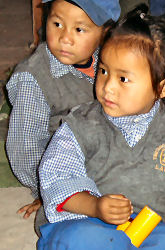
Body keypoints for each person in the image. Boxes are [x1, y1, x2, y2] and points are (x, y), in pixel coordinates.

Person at [37, 9, 165, 249]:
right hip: (86, 221)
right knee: (82, 240)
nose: (108, 87)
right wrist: (95, 206)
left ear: (163, 87)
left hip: (147, 228)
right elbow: (56, 179)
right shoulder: (81, 124)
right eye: (103, 71)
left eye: (123, 79)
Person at [6, 0, 120, 230]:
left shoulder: (109, 58)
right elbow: (24, 146)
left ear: (104, 32)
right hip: (66, 166)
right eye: (57, 23)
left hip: (107, 149)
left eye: (79, 29)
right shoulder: (33, 78)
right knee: (70, 220)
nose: (65, 38)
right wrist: (47, 189)